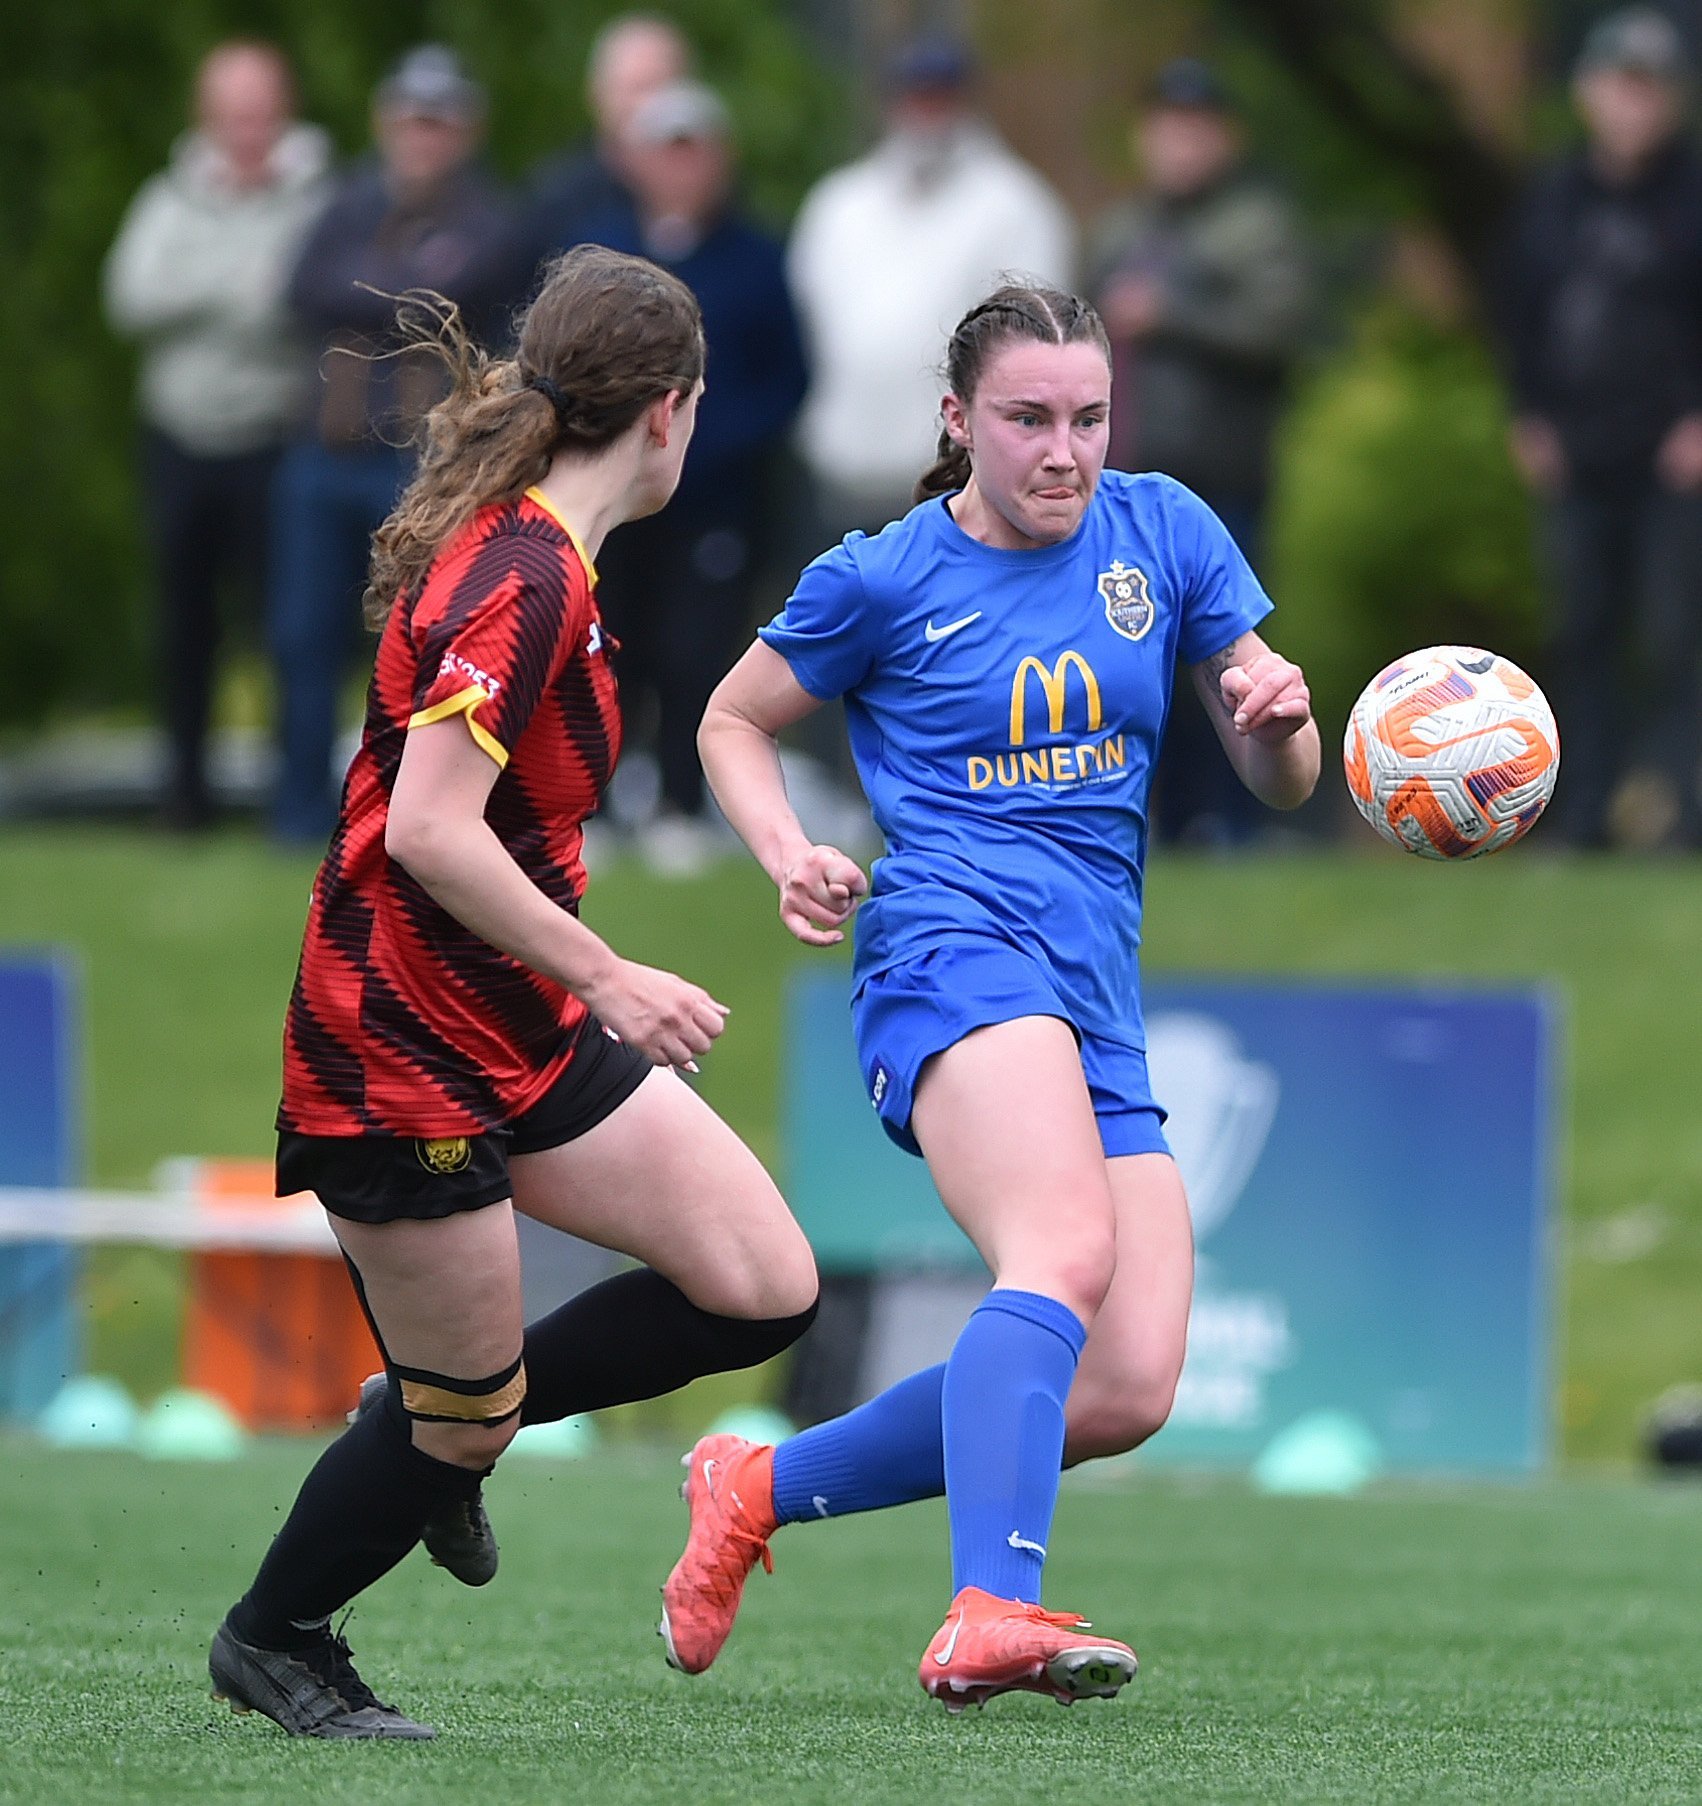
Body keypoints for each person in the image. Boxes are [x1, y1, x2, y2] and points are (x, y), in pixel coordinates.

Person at [661, 283, 1318, 1710]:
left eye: (1087, 417)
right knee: (1062, 1247)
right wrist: (787, 852)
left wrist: (1283, 723)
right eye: (1026, 418)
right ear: (959, 422)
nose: (1062, 450)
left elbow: (1282, 776)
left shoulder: (1165, 532)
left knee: (1130, 1383)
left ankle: (757, 1480)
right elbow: (729, 717)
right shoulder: (881, 575)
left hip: (1092, 985)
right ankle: (987, 1608)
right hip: (944, 950)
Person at [208, 245, 819, 1740]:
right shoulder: (525, 571)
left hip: (510, 1024)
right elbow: (424, 830)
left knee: (760, 1280)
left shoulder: (554, 555)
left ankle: (418, 1424)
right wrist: (614, 976)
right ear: (670, 412)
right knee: (467, 1413)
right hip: (394, 1044)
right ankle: (278, 1635)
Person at [270, 45, 526, 846]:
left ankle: (404, 813)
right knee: (303, 634)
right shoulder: (345, 201)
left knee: (418, 638)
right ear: (387, 123)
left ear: (467, 130)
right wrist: (400, 277)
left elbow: (456, 289)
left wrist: (374, 283)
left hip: (424, 466)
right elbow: (298, 289)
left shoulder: (493, 216)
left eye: (438, 122)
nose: (422, 138)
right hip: (325, 453)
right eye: (411, 120)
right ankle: (297, 814)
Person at [563, 81, 809, 874]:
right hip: (617, 497)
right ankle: (591, 805)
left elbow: (788, 379)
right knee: (604, 645)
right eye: (664, 149)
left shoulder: (755, 258)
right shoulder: (602, 251)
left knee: (696, 651)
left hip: (715, 497)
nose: (679, 167)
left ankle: (677, 802)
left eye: (692, 149)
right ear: (635, 160)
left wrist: (703, 446)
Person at [103, 41, 329, 830]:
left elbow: (303, 300)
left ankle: (285, 797)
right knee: (184, 625)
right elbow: (131, 295)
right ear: (208, 116)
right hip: (179, 437)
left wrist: (205, 298)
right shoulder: (172, 196)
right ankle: (183, 798)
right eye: (232, 112)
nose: (246, 128)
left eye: (259, 110)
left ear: (283, 111)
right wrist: (236, 291)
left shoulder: (315, 195)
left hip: (274, 438)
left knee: (285, 628)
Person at [1089, 57, 1311, 847]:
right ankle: (1162, 819)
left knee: (1229, 658)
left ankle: (1238, 821)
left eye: (1195, 129)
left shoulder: (1257, 226)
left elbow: (1277, 330)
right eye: (1165, 127)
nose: (1178, 144)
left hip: (1219, 481)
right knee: (1135, 653)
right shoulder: (1123, 228)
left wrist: (1171, 313)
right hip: (1124, 483)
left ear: (1224, 138)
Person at [1498, 6, 1702, 849]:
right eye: (1620, 85)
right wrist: (1527, 418)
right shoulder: (1553, 199)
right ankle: (1580, 819)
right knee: (1579, 634)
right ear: (1587, 92)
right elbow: (1516, 315)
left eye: (1649, 89)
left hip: (1673, 455)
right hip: (1575, 452)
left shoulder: (1691, 197)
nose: (1632, 105)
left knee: (1671, 635)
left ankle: (1682, 816)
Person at [788, 35, 1076, 541]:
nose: (927, 113)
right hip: (839, 476)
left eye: (941, 97)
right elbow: (803, 325)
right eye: (916, 95)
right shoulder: (840, 204)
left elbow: (1037, 350)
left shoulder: (1016, 207)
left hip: (956, 486)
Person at [522, 12, 694, 266]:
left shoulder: (715, 198)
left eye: (662, 87)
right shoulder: (557, 199)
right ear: (597, 93)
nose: (647, 104)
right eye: (636, 87)